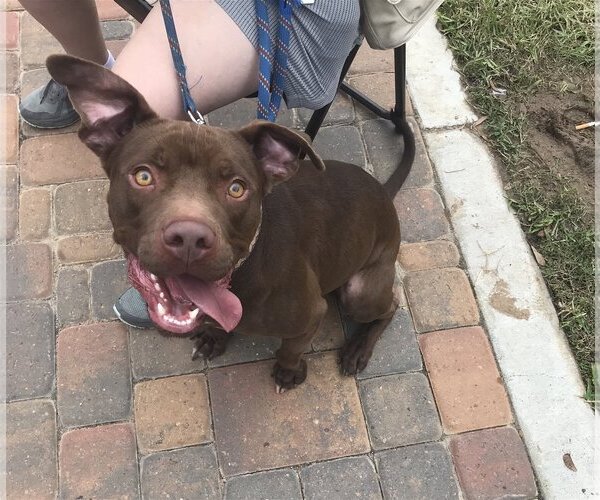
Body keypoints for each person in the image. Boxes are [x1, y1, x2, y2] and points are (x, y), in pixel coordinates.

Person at [19, 0, 361, 327]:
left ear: (278, 165)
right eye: (144, 176)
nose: (189, 228)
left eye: (235, 187)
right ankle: (163, 278)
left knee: (148, 91)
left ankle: (174, 283)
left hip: (303, 7)